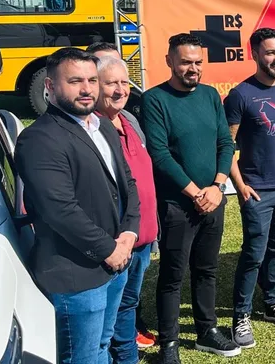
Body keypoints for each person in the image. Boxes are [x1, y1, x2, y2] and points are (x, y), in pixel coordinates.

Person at [14, 47, 140, 364]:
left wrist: (129, 234)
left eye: (92, 80)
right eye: (75, 81)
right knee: (80, 357)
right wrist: (108, 250)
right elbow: (59, 209)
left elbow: (128, 184)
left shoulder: (103, 126)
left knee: (102, 345)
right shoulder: (40, 139)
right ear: (50, 86)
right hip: (76, 276)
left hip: (116, 263)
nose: (87, 89)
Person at [142, 34, 238, 361]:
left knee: (207, 269)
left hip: (213, 199)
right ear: (169, 61)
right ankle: (168, 344)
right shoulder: (154, 100)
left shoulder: (211, 96)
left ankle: (206, 331)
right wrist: (196, 192)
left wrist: (217, 186)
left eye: (198, 62)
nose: (193, 68)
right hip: (178, 205)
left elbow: (225, 143)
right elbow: (159, 154)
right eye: (186, 62)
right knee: (173, 274)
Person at [225, 28, 275, 349]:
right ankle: (240, 315)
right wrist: (241, 186)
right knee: (253, 255)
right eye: (270, 53)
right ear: (255, 54)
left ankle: (272, 303)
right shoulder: (240, 95)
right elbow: (227, 145)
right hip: (256, 192)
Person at [87, 41, 157, 351]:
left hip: (142, 239)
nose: (120, 90)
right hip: (115, 243)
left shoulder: (131, 121)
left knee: (128, 306)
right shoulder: (90, 129)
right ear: (95, 87)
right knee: (107, 318)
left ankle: (126, 354)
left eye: (124, 82)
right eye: (111, 83)